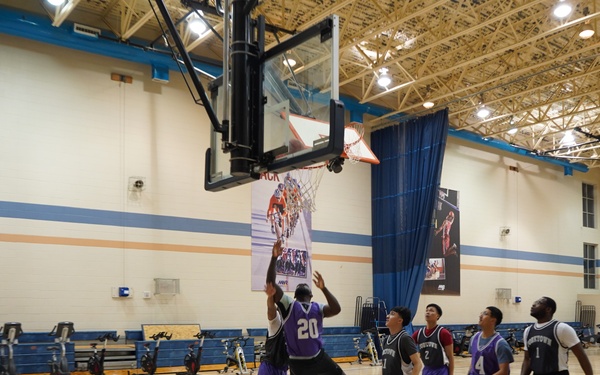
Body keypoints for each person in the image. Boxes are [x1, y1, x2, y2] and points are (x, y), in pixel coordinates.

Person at [266, 239, 345, 375]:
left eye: (304, 285)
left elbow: (337, 309)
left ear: (311, 295)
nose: (302, 285)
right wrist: (274, 258)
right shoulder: (289, 305)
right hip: (298, 362)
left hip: (318, 357)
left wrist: (324, 288)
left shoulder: (318, 307)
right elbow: (270, 283)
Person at [520, 296, 593, 375]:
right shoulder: (528, 330)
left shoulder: (562, 328)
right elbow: (527, 359)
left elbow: (581, 356)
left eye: (538, 303)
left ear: (548, 309)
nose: (533, 305)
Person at [468, 306, 514, 375]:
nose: (480, 316)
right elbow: (473, 362)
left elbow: (504, 372)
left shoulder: (500, 344)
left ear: (493, 320)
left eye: (485, 314)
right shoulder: (474, 338)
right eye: (481, 313)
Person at [412, 303, 454, 375]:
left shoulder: (444, 333)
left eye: (431, 310)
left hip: (441, 370)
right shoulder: (418, 333)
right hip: (426, 369)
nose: (428, 312)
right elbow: (408, 348)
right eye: (426, 310)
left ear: (437, 316)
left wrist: (451, 373)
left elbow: (450, 357)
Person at [257, 282, 288, 375]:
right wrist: (270, 296)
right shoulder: (277, 321)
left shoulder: (292, 323)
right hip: (269, 368)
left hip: (283, 368)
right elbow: (271, 310)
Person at [382, 306, 423, 375]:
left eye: (392, 314)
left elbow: (418, 363)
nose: (387, 316)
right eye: (389, 314)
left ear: (400, 320)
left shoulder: (404, 338)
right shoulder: (386, 340)